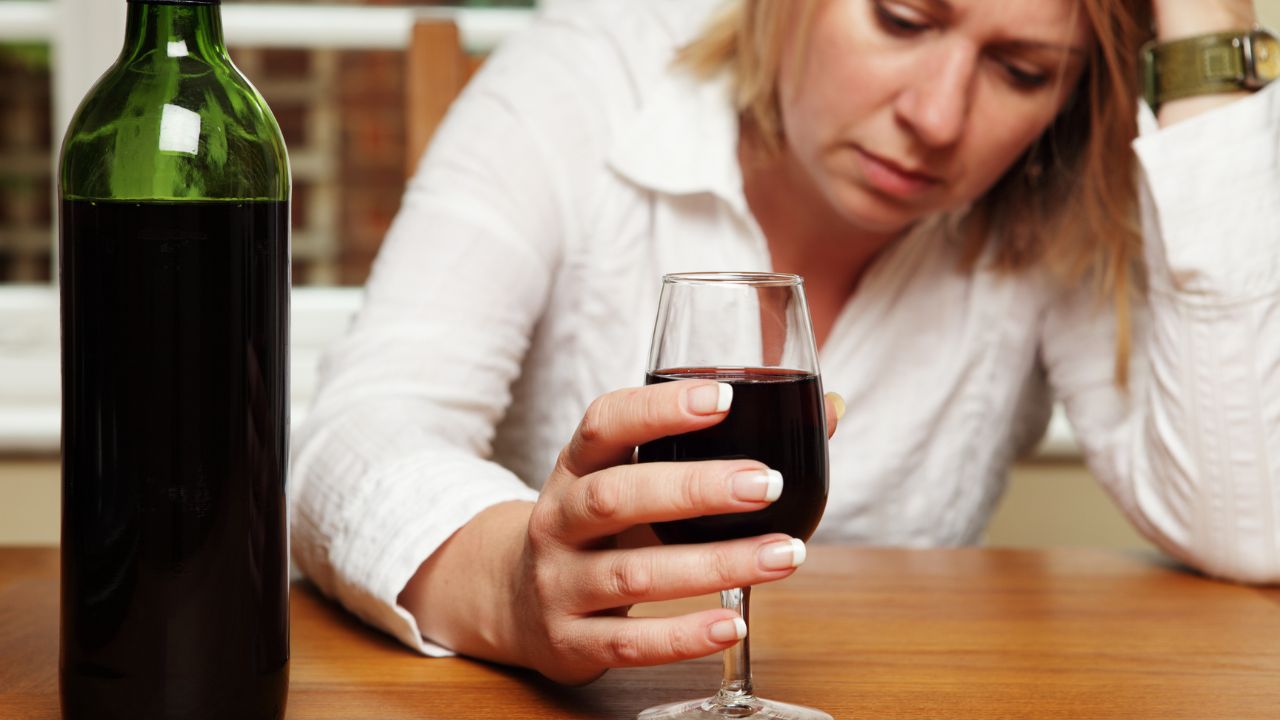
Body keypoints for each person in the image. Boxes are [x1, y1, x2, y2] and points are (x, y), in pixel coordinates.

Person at [290, 0, 1280, 686]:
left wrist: (1208, 40)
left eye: (1020, 70)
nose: (936, 119)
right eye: (899, 19)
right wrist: (512, 584)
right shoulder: (586, 79)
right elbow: (355, 434)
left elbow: (1248, 524)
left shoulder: (1039, 199)